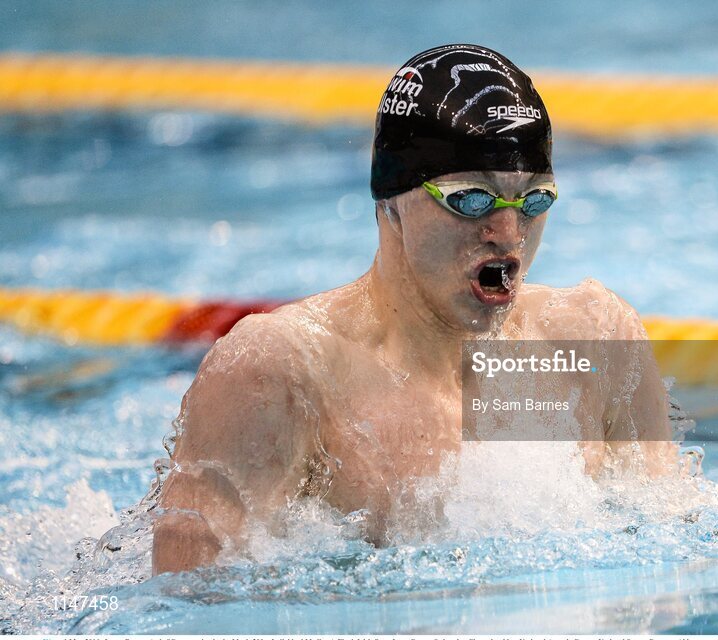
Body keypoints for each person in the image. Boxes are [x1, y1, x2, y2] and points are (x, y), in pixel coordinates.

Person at [152, 44, 683, 575]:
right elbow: (189, 604)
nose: (508, 233)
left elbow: (672, 554)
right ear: (393, 204)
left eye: (534, 201)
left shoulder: (593, 342)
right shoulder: (281, 372)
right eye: (472, 199)